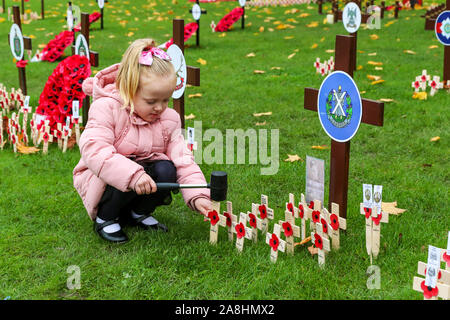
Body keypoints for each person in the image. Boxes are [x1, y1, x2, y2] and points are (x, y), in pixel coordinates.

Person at [73, 38, 212, 243]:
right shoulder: (107, 108)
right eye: (151, 101)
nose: (159, 107)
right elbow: (95, 150)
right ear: (129, 90)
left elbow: (184, 160)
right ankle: (106, 217)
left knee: (167, 169)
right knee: (126, 169)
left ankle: (138, 213)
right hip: (103, 178)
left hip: (142, 177)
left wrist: (198, 195)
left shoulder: (168, 119)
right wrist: (133, 174)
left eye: (165, 100)